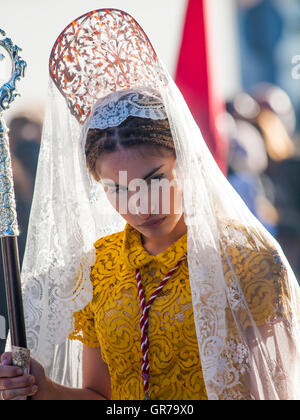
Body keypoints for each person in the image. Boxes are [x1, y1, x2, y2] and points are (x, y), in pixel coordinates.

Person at [1, 8, 300, 401]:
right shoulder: (98, 270)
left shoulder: (249, 260)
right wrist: (45, 389)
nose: (141, 204)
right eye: (119, 189)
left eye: (154, 179)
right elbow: (105, 400)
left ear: (184, 162)